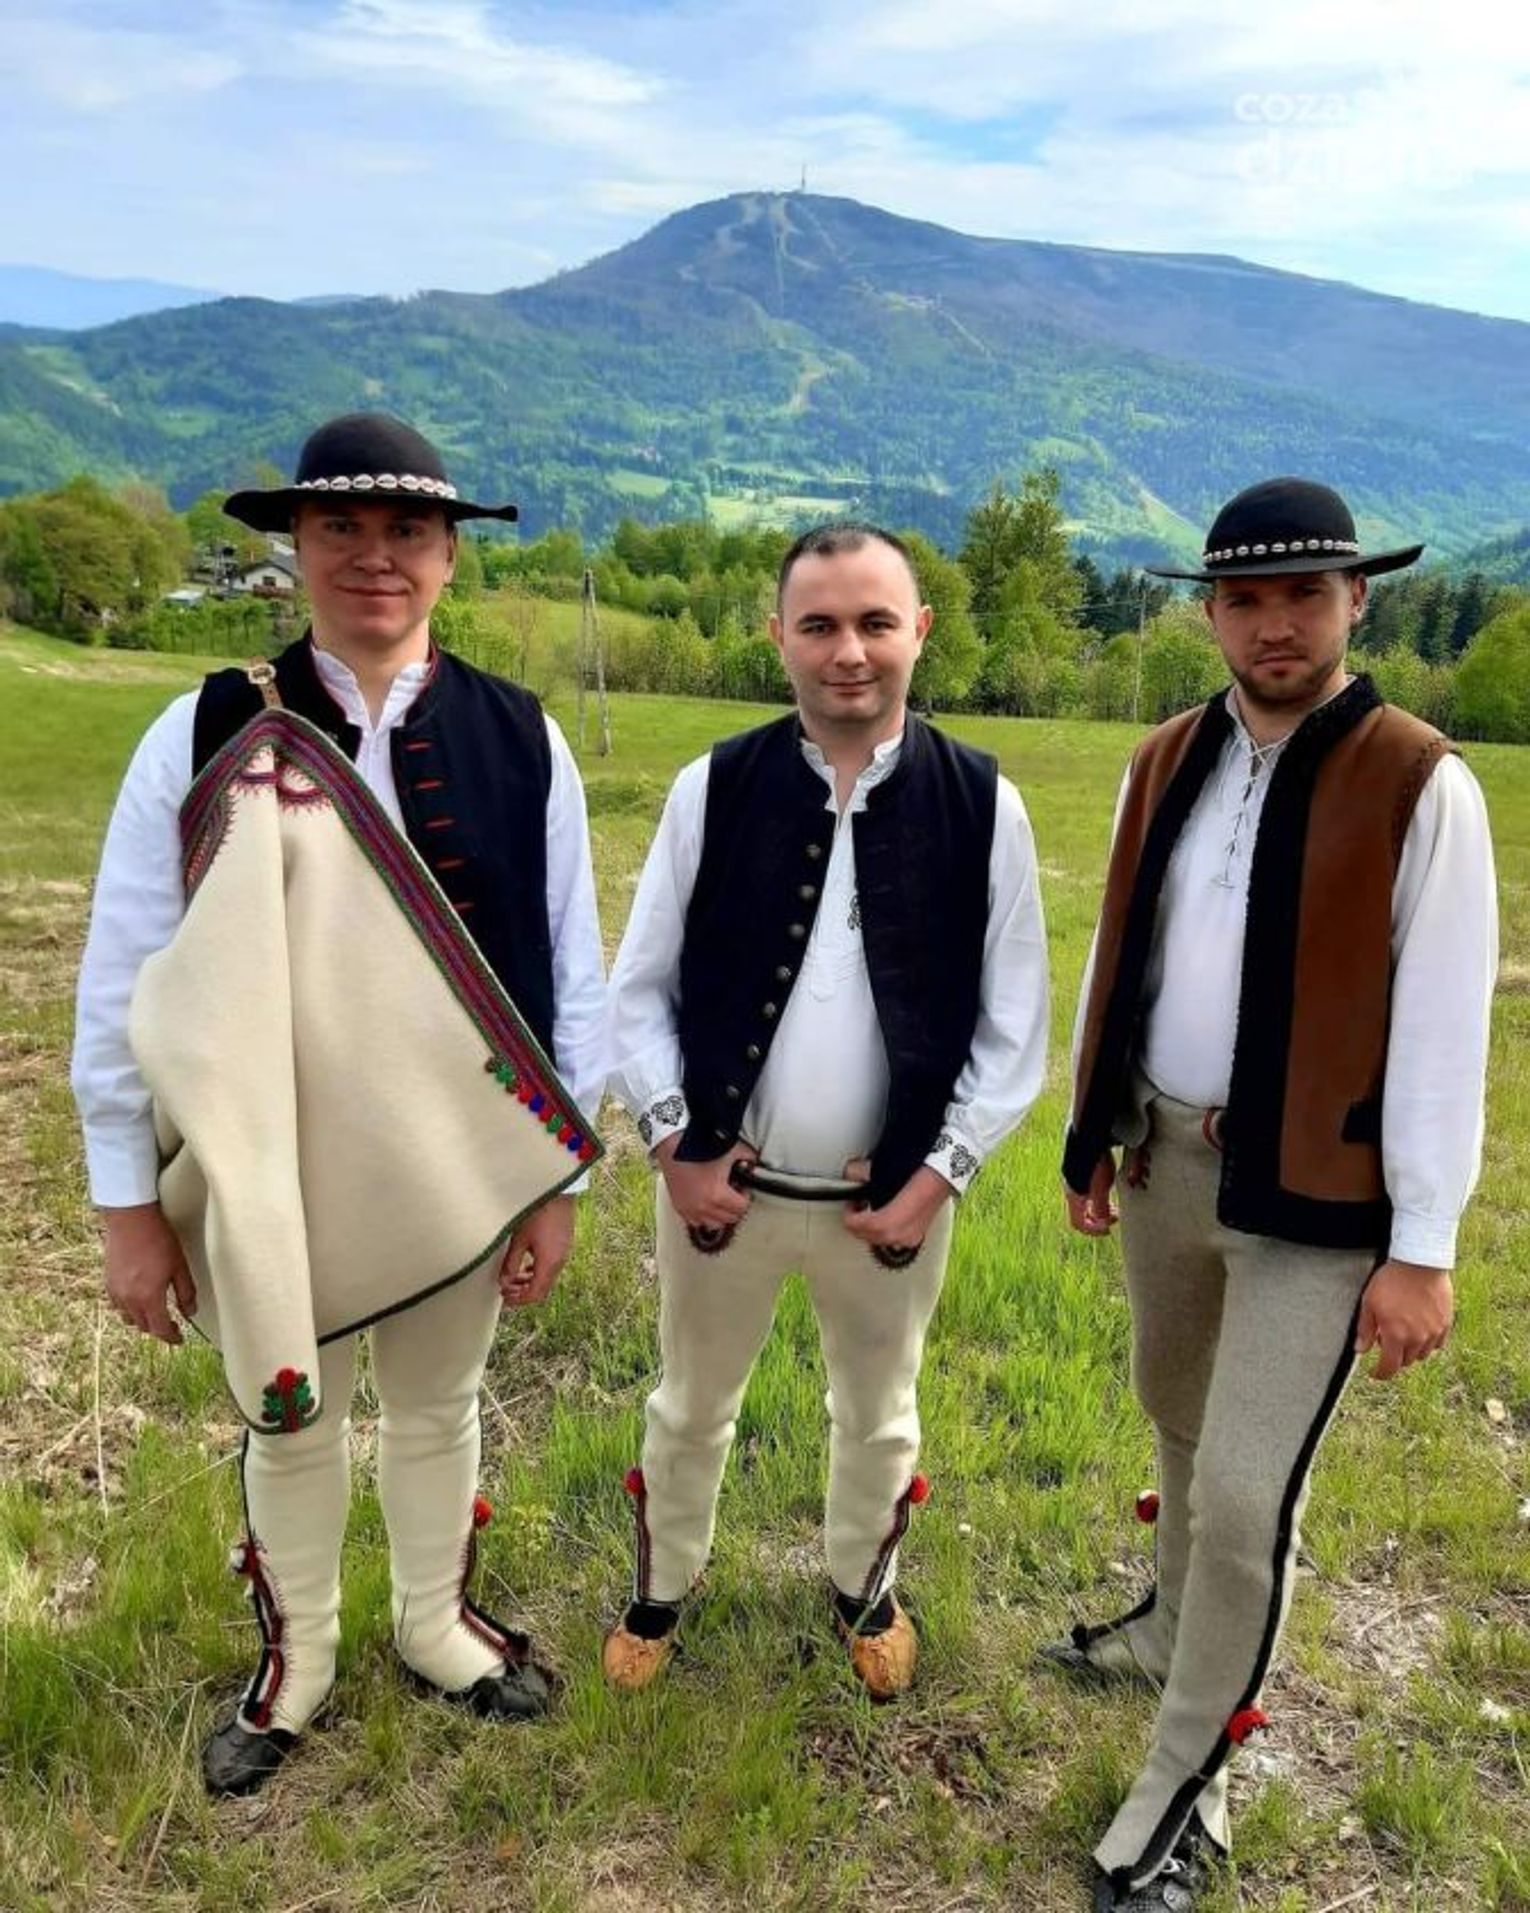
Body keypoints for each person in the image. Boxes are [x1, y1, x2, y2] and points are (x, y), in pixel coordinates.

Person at [71, 413, 606, 1796]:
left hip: (456, 1155)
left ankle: (435, 1626)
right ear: (297, 545)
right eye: (342, 528)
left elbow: (572, 969)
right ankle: (298, 1659)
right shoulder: (202, 728)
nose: (377, 556)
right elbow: (126, 976)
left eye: (408, 530)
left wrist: (553, 1180)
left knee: (437, 1402)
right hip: (271, 1161)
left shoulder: (521, 734)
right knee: (289, 1410)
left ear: (449, 555)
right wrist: (129, 1205)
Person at [1052, 477, 1497, 1910]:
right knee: (1178, 1418)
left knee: (1248, 1490)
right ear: (1209, 615)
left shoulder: (1419, 780)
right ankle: (1168, 1629)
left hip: (1316, 1197)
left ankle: (1189, 1788)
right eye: (1243, 600)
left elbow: (1443, 1031)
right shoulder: (1163, 757)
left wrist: (1421, 1245)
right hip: (1167, 1161)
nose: (1274, 625)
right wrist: (1091, 1129)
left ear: (1355, 598)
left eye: (1304, 594)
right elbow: (1119, 952)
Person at [600, 521, 1048, 1697]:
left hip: (890, 1200)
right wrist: (671, 1144)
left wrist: (936, 1176)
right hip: (722, 1191)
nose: (850, 650)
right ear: (779, 637)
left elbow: (1015, 1027)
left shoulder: (985, 803)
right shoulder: (713, 784)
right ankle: (662, 1588)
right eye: (821, 624)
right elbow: (636, 989)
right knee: (689, 1405)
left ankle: (864, 1586)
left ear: (920, 631)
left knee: (881, 1412)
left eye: (875, 622)